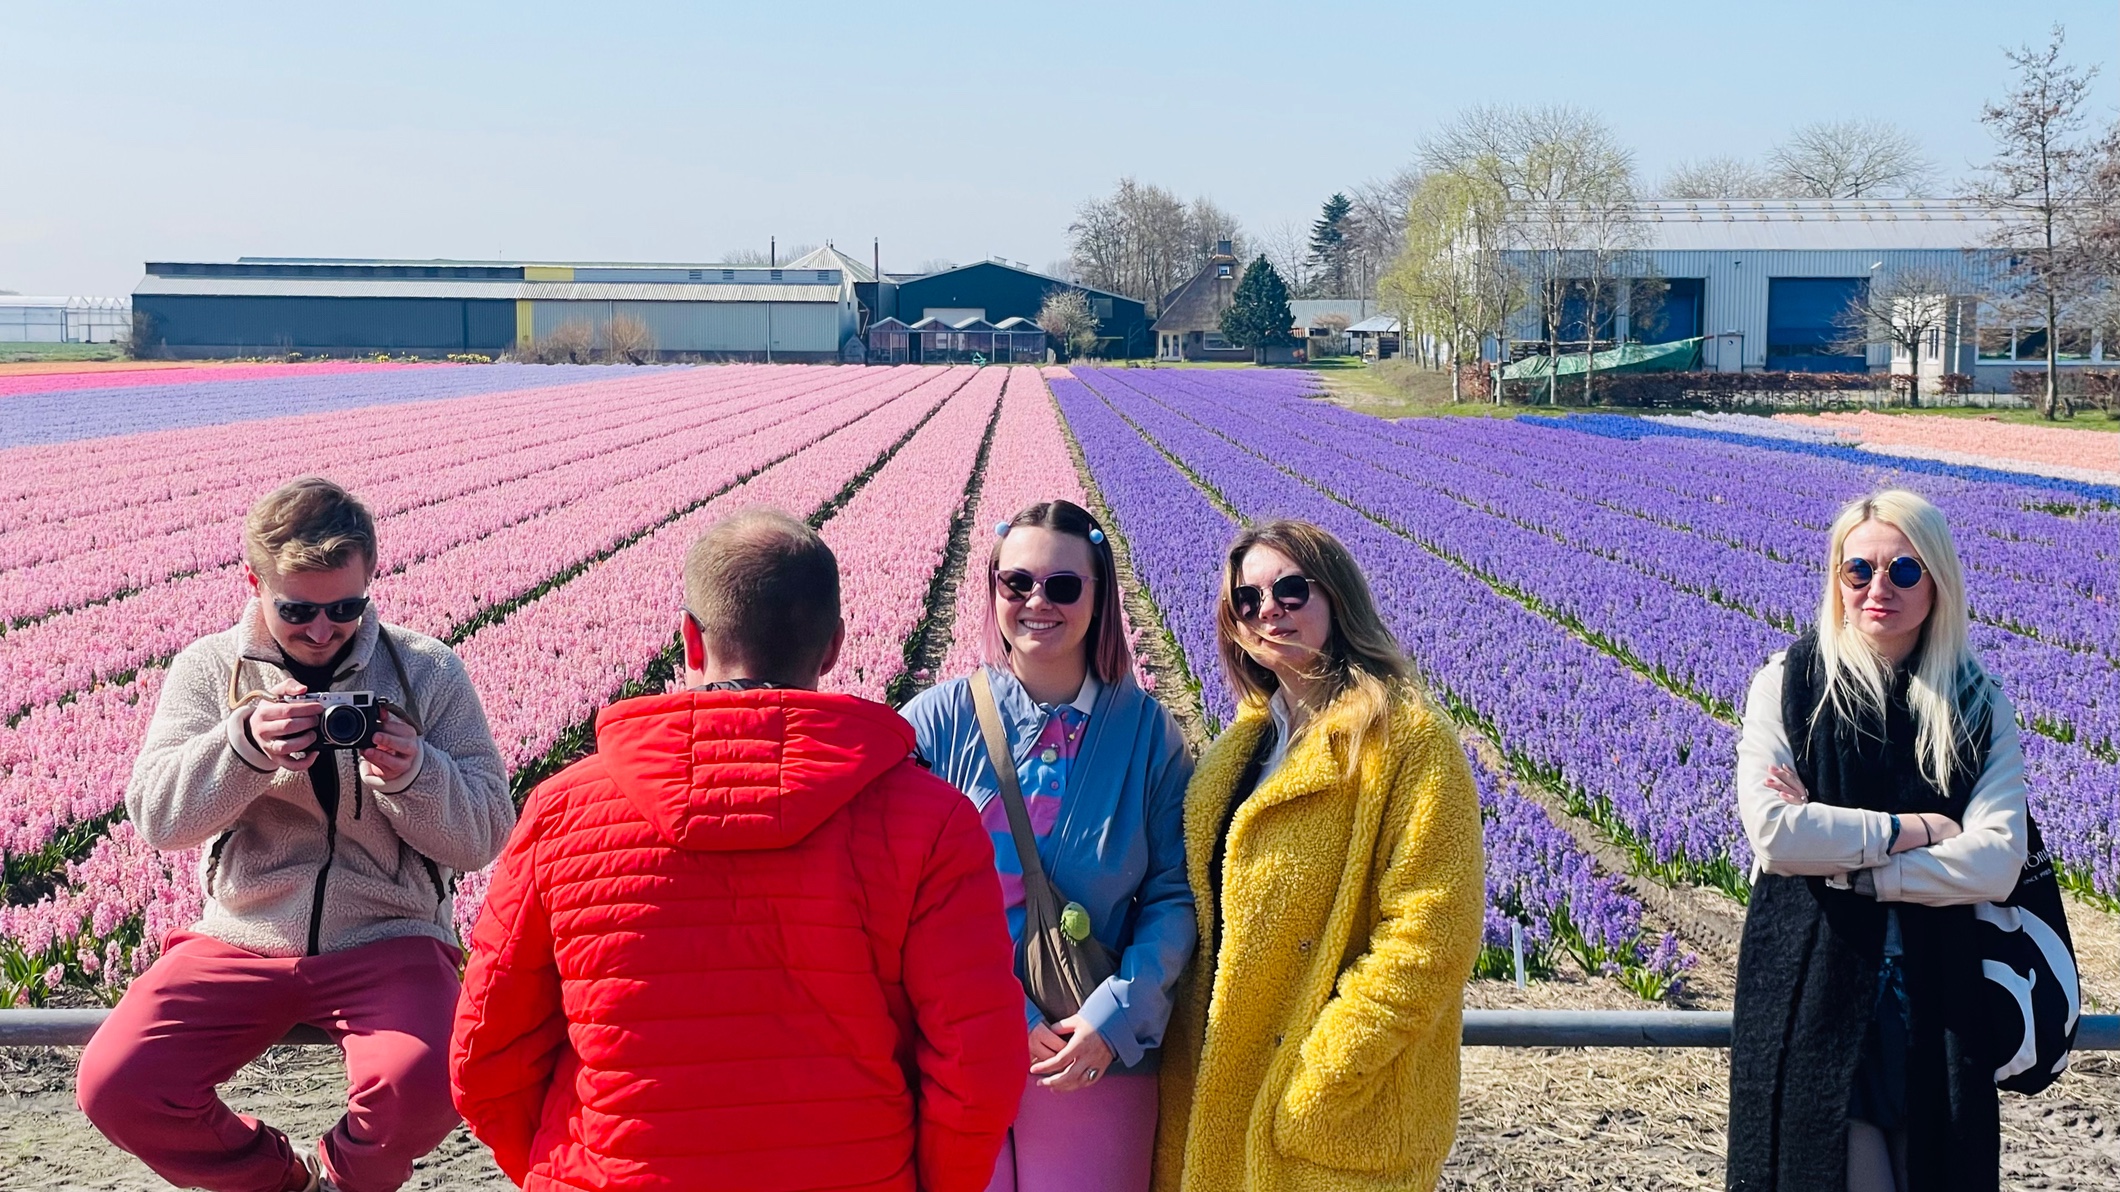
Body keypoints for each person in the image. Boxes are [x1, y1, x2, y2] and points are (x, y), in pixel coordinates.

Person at [450, 508, 1026, 1192]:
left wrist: (560, 1163)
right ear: (837, 645)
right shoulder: (933, 821)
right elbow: (978, 1060)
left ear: (690, 642)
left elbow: (486, 1054)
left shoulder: (562, 813)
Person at [78, 476, 514, 1192]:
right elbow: (158, 819)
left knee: (432, 1079)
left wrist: (413, 773)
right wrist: (242, 748)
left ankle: (344, 1181)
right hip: (243, 931)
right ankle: (282, 1185)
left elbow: (485, 833)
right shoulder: (208, 669)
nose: (320, 630)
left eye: (345, 608)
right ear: (253, 582)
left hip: (388, 931)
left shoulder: (427, 670)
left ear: (373, 577)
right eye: (297, 610)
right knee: (117, 1083)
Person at [1155, 518, 1483, 1192]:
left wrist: (1321, 1075)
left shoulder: (1408, 742)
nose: (1268, 610)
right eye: (1247, 600)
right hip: (1219, 1101)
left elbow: (1431, 936)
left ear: (1336, 597)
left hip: (1326, 1121)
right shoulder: (1239, 748)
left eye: (1290, 590)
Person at [1728, 489, 2027, 1192]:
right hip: (1812, 995)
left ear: (1939, 581)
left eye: (1903, 572)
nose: (1876, 589)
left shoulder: (1977, 703)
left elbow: (1998, 859)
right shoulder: (1788, 684)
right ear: (1836, 578)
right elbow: (1777, 835)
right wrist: (1918, 830)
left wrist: (1866, 872)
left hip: (1940, 1004)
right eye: (1857, 570)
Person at [900, 499, 1195, 1192]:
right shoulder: (938, 721)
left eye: (1064, 586)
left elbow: (1173, 894)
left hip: (1088, 1057)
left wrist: (1115, 1016)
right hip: (958, 1048)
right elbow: (897, 889)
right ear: (994, 588)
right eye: (1017, 583)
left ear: (1100, 597)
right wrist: (1000, 1011)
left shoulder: (1150, 735)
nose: (1039, 601)